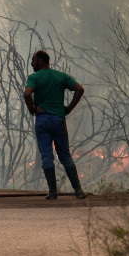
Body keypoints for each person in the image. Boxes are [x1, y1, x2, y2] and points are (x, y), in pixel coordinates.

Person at [23, 50, 87, 200]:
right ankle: (78, 191)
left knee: (46, 156)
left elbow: (27, 94)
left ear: (41, 60)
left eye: (33, 60)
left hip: (42, 119)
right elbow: (80, 89)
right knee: (65, 155)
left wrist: (32, 108)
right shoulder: (61, 76)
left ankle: (52, 193)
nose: (31, 63)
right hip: (58, 119)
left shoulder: (34, 77)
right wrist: (69, 108)